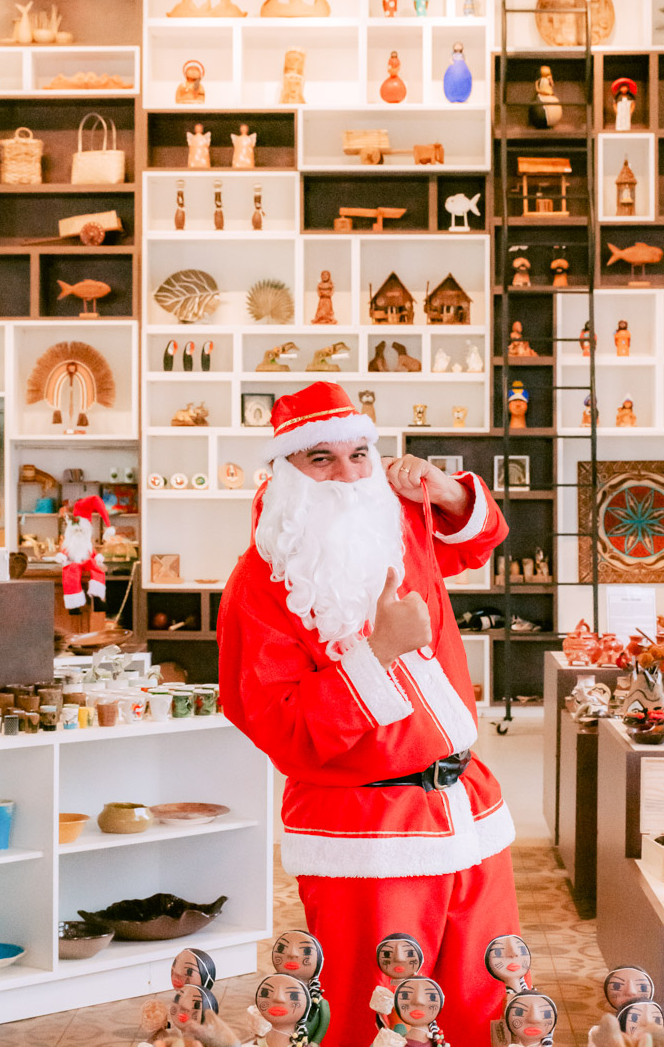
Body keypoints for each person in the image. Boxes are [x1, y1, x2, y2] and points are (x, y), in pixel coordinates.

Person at [217, 381, 518, 1047]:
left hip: (468, 809)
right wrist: (378, 652)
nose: (348, 474)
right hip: (365, 834)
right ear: (286, 471)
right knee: (375, 1017)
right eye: (320, 458)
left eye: (359, 454)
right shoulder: (255, 587)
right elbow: (280, 727)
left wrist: (448, 493)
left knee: (485, 1002)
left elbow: (480, 539)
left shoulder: (394, 523)